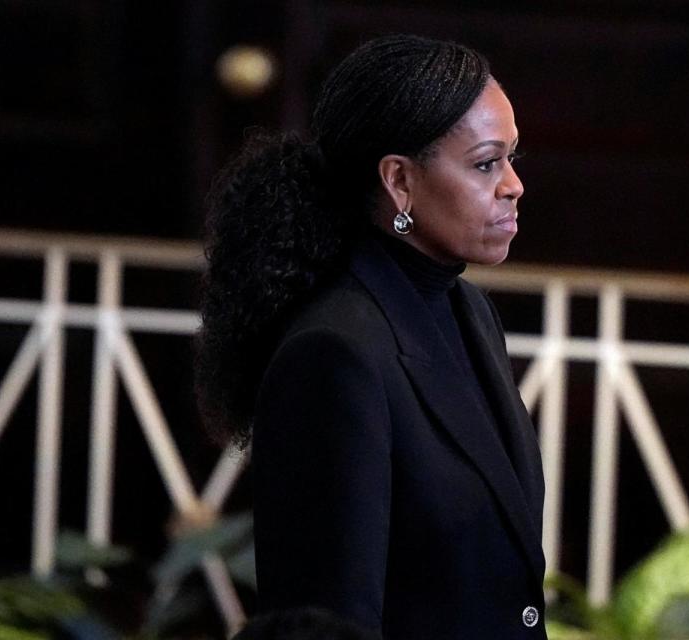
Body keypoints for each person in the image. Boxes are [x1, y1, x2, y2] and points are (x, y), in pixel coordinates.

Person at [197, 34, 546, 639]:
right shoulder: (334, 354)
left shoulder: (468, 310)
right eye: (487, 163)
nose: (513, 185)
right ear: (399, 183)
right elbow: (331, 618)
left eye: (512, 159)